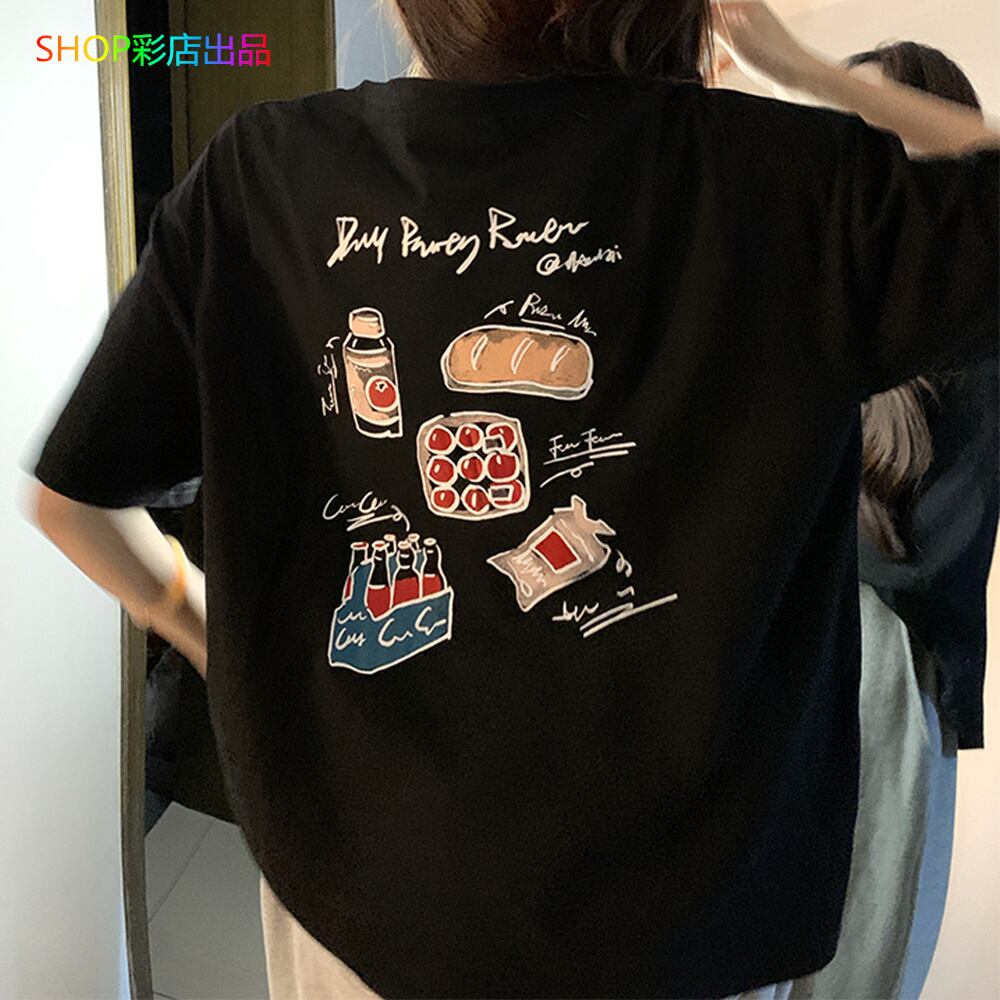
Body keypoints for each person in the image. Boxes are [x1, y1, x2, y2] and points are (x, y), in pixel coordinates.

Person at [23, 1, 998, 996]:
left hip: (366, 897)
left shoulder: (261, 172)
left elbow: (70, 499)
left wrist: (201, 623)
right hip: (692, 921)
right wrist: (804, 71)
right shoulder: (795, 180)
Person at [780, 42, 998, 1000]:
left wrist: (805, 74)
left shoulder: (971, 341)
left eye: (870, 138)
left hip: (880, 689)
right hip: (785, 682)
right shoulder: (799, 310)